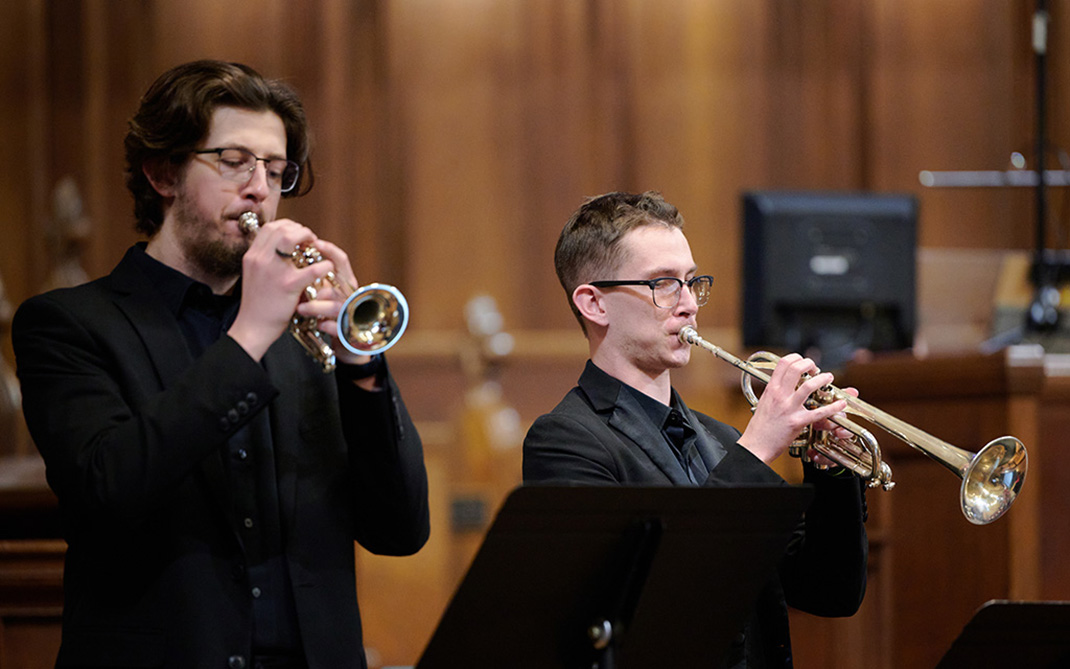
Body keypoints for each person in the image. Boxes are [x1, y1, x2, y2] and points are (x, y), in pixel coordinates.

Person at [13, 60, 430, 669]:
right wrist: (251, 334)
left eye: (277, 170)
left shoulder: (305, 333)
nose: (260, 187)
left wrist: (362, 368)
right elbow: (107, 491)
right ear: (162, 173)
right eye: (234, 162)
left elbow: (400, 530)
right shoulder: (70, 324)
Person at [523, 191, 868, 668]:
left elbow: (830, 592)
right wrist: (757, 449)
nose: (688, 304)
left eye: (691, 282)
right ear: (594, 303)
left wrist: (830, 470)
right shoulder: (565, 442)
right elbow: (646, 612)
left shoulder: (721, 441)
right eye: (663, 284)